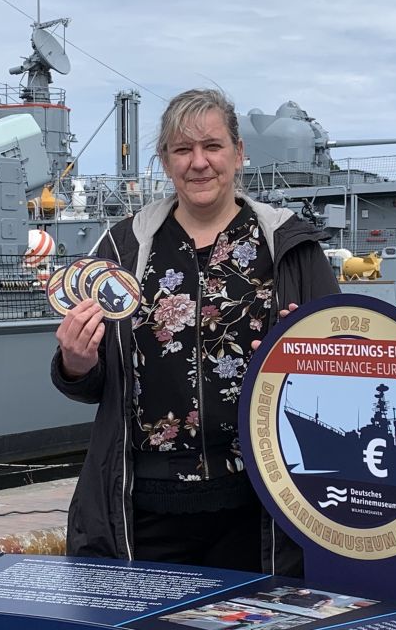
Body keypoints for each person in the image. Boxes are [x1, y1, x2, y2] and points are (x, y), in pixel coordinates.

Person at [52, 88, 338, 574]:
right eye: (182, 150)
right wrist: (76, 362)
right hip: (146, 508)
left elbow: (338, 367)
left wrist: (306, 355)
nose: (199, 163)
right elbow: (97, 384)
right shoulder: (122, 248)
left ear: (239, 153)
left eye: (212, 146)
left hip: (263, 504)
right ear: (165, 161)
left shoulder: (291, 248)